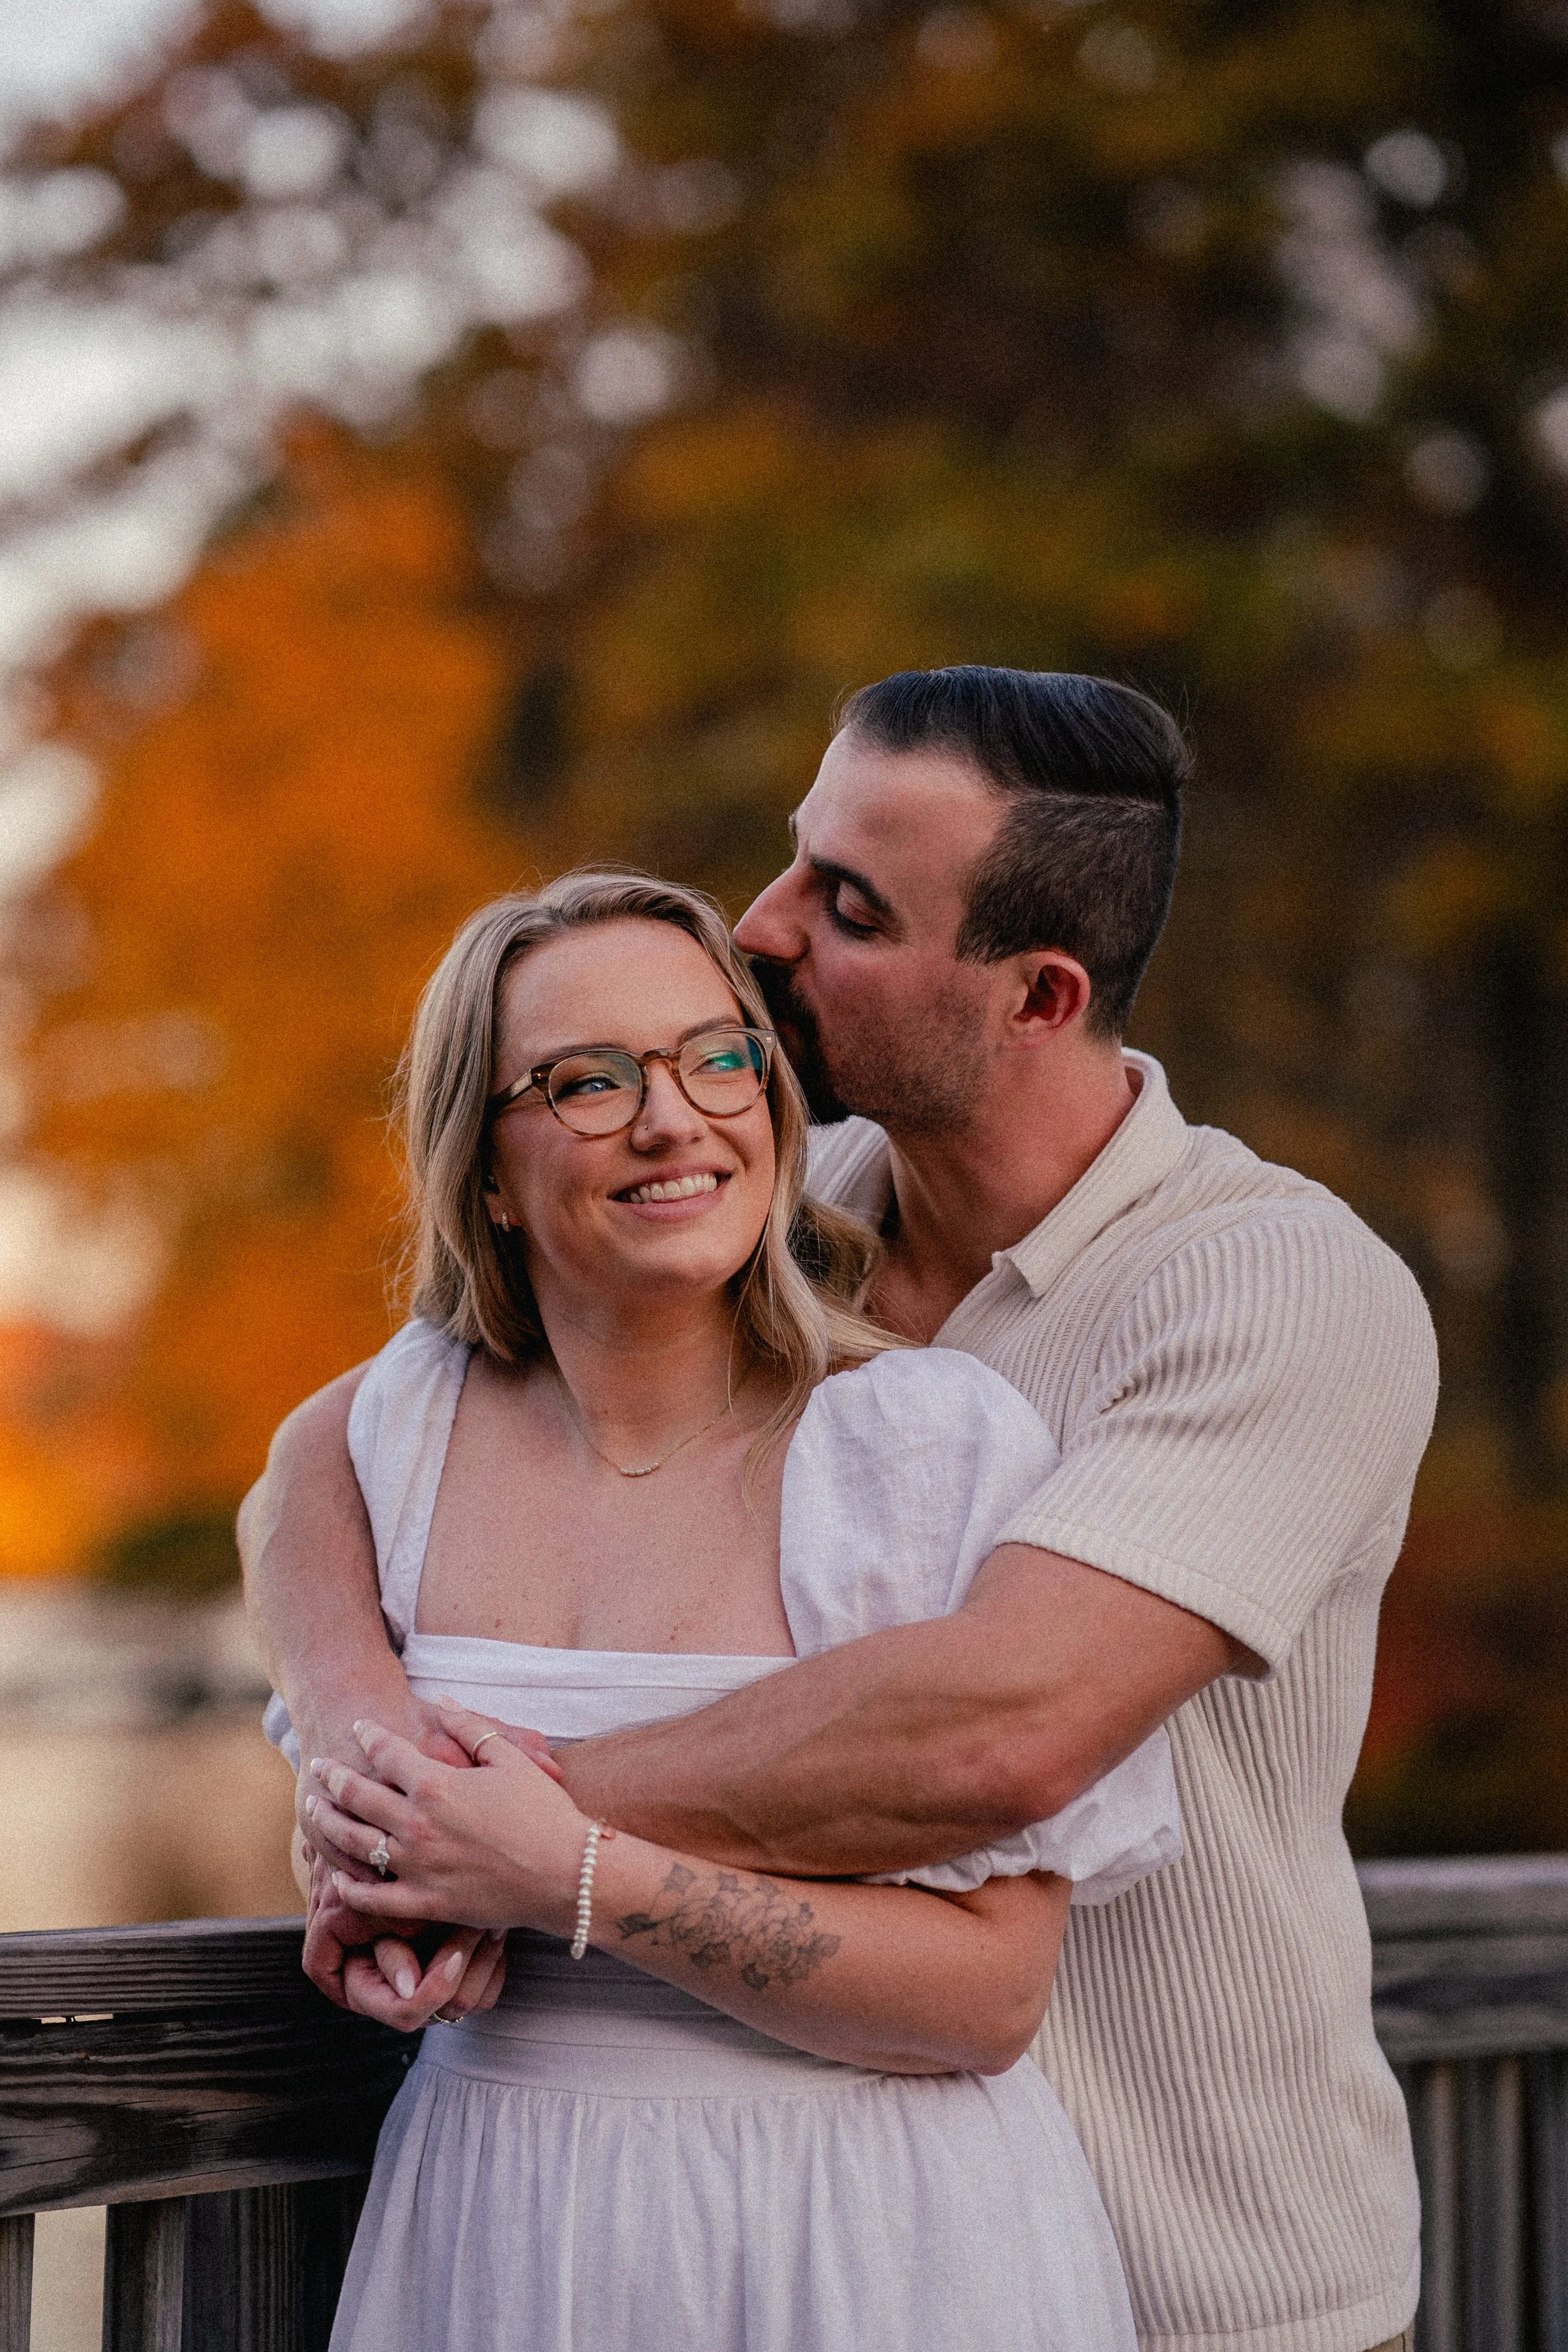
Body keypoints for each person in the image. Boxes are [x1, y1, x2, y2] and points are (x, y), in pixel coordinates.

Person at [245, 667, 1439, 2352]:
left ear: (1033, 993)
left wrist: (497, 1843)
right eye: (798, 860)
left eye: (852, 905)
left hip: (1203, 2282)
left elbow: (994, 1729)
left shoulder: (1269, 1286)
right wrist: (369, 1759)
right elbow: (329, 1456)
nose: (764, 924)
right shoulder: (759, 1206)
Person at [266, 867, 1181, 2351]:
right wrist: (368, 1852)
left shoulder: (918, 1448)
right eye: (585, 1080)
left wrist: (565, 1875)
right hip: (501, 2226)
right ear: (484, 1170)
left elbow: (986, 2001)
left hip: (869, 2238)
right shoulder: (395, 1432)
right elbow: (295, 1530)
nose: (671, 1117)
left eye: (717, 1056)